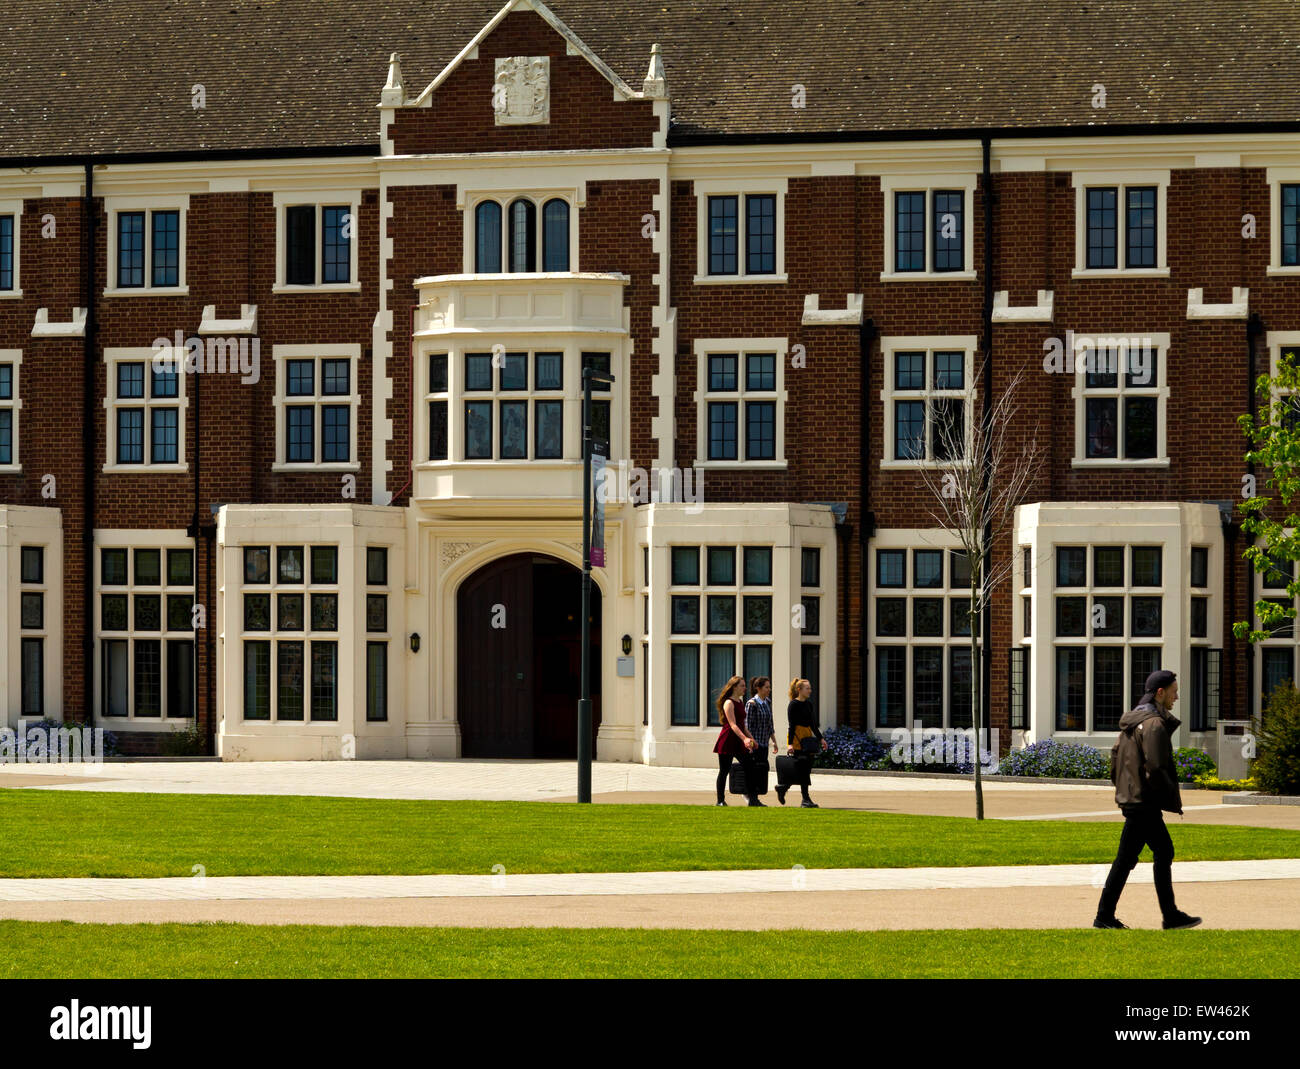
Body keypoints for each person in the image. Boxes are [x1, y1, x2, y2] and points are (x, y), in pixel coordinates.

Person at [1093, 669, 1202, 930]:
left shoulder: (1133, 723)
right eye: (1174, 692)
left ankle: (1107, 915)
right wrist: (1167, 796)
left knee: (1132, 857)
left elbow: (1115, 761)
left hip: (1134, 798)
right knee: (1159, 852)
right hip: (1144, 800)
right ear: (1160, 693)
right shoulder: (1153, 724)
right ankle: (1168, 915)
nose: (1177, 697)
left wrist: (1124, 790)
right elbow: (1156, 766)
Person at [713, 674, 763, 807]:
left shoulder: (740, 702)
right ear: (734, 687)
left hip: (740, 739)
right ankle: (720, 801)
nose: (745, 688)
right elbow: (733, 725)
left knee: (750, 767)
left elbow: (742, 725)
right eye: (742, 686)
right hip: (728, 740)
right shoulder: (728, 703)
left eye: (745, 686)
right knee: (724, 770)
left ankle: (753, 800)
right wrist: (745, 739)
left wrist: (751, 739)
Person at [776, 678, 826, 808]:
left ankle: (783, 788)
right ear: (799, 690)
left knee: (805, 770)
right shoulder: (793, 705)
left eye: (810, 688)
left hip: (807, 737)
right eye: (807, 688)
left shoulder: (809, 704)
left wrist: (821, 738)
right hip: (797, 738)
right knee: (802, 769)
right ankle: (805, 799)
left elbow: (813, 724)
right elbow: (791, 726)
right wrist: (790, 744)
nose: (810, 690)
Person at [745, 677, 778, 761]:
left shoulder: (768, 702)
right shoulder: (752, 704)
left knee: (764, 770)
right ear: (758, 688)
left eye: (769, 687)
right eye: (766, 687)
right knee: (756, 771)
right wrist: (751, 745)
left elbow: (770, 724)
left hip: (765, 744)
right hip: (755, 745)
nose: (769, 689)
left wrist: (774, 741)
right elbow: (747, 727)